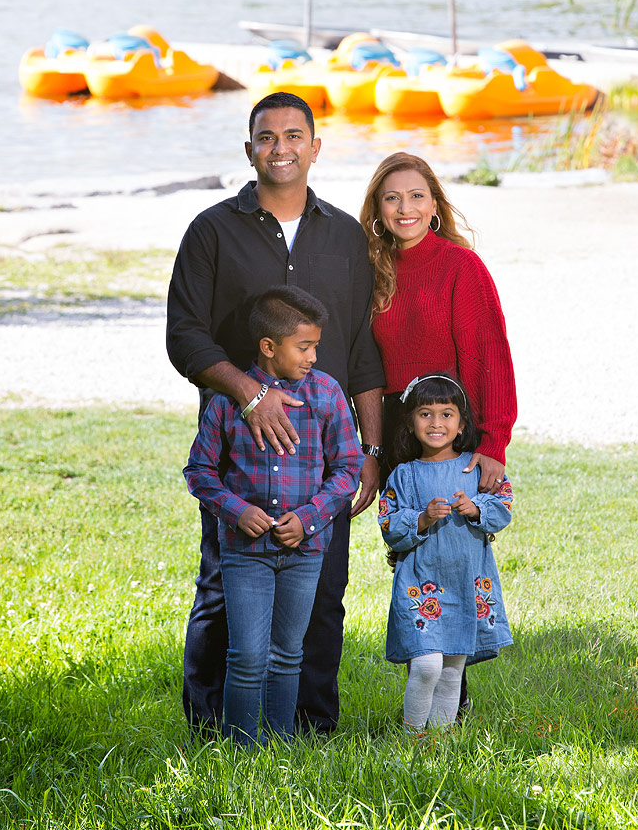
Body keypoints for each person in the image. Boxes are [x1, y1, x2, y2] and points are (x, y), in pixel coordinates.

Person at [167, 91, 385, 735]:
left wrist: (371, 451)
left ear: (315, 148)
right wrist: (249, 392)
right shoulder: (212, 230)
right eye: (267, 137)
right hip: (239, 450)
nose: (281, 147)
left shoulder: (345, 234)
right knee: (222, 589)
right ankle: (210, 726)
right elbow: (185, 335)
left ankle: (309, 726)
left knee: (321, 593)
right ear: (249, 148)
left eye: (295, 136)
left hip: (323, 453)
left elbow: (361, 349)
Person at [360, 150, 517, 715]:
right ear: (377, 208)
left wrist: (491, 444)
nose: (405, 208)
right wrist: (371, 446)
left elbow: (490, 359)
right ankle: (425, 680)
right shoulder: (369, 269)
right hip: (396, 428)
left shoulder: (460, 267)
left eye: (417, 196)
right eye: (392, 197)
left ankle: (453, 691)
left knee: (455, 551)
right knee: (411, 553)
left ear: (435, 204)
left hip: (447, 427)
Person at [184, 286, 363, 745]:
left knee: (288, 655)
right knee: (246, 655)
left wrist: (309, 518)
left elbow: (348, 468)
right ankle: (243, 750)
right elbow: (199, 471)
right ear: (268, 347)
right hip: (245, 553)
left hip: (306, 549)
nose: (312, 356)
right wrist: (237, 511)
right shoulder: (228, 401)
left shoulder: (326, 394)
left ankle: (281, 747)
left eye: (315, 346)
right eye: (303, 347)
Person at [378, 372, 513, 731]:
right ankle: (411, 739)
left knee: (453, 671)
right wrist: (421, 519)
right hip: (421, 583)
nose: (436, 423)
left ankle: (438, 742)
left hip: (466, 581)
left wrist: (477, 509)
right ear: (409, 421)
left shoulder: (475, 467)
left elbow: (504, 505)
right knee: (425, 665)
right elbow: (388, 522)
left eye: (447, 413)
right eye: (425, 413)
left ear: (462, 422)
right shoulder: (404, 474)